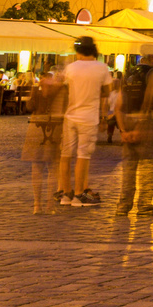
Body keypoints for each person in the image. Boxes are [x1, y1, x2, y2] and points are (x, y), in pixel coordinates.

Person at [56, 37, 111, 207]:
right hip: (88, 116)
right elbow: (107, 92)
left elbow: (63, 87)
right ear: (94, 50)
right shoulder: (102, 68)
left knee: (65, 154)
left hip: (70, 115)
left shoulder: (71, 68)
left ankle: (65, 193)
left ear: (78, 51)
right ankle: (79, 194)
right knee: (83, 155)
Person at [116, 51, 153, 219]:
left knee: (129, 166)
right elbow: (149, 99)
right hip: (145, 121)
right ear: (152, 58)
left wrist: (123, 130)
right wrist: (141, 127)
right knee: (148, 165)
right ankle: (144, 205)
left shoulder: (128, 73)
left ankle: (123, 205)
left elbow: (119, 104)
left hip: (127, 120)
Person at [24, 68, 64, 214]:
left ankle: (37, 205)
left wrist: (35, 89)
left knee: (37, 167)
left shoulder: (39, 91)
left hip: (36, 126)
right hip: (54, 126)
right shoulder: (59, 91)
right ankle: (49, 205)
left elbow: (29, 107)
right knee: (52, 167)